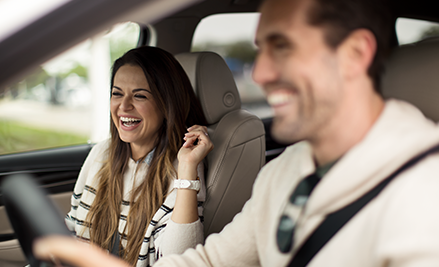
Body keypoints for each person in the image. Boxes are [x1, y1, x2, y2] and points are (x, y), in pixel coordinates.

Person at [34, 0, 439, 266]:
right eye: (260, 49)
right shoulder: (287, 170)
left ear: (354, 55)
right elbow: (209, 262)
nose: (260, 74)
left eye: (282, 47)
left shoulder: (424, 195)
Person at [63, 46, 213, 267]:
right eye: (117, 93)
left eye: (139, 96)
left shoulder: (182, 167)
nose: (124, 106)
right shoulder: (101, 153)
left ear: (167, 104)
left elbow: (177, 260)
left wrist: (188, 168)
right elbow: (73, 230)